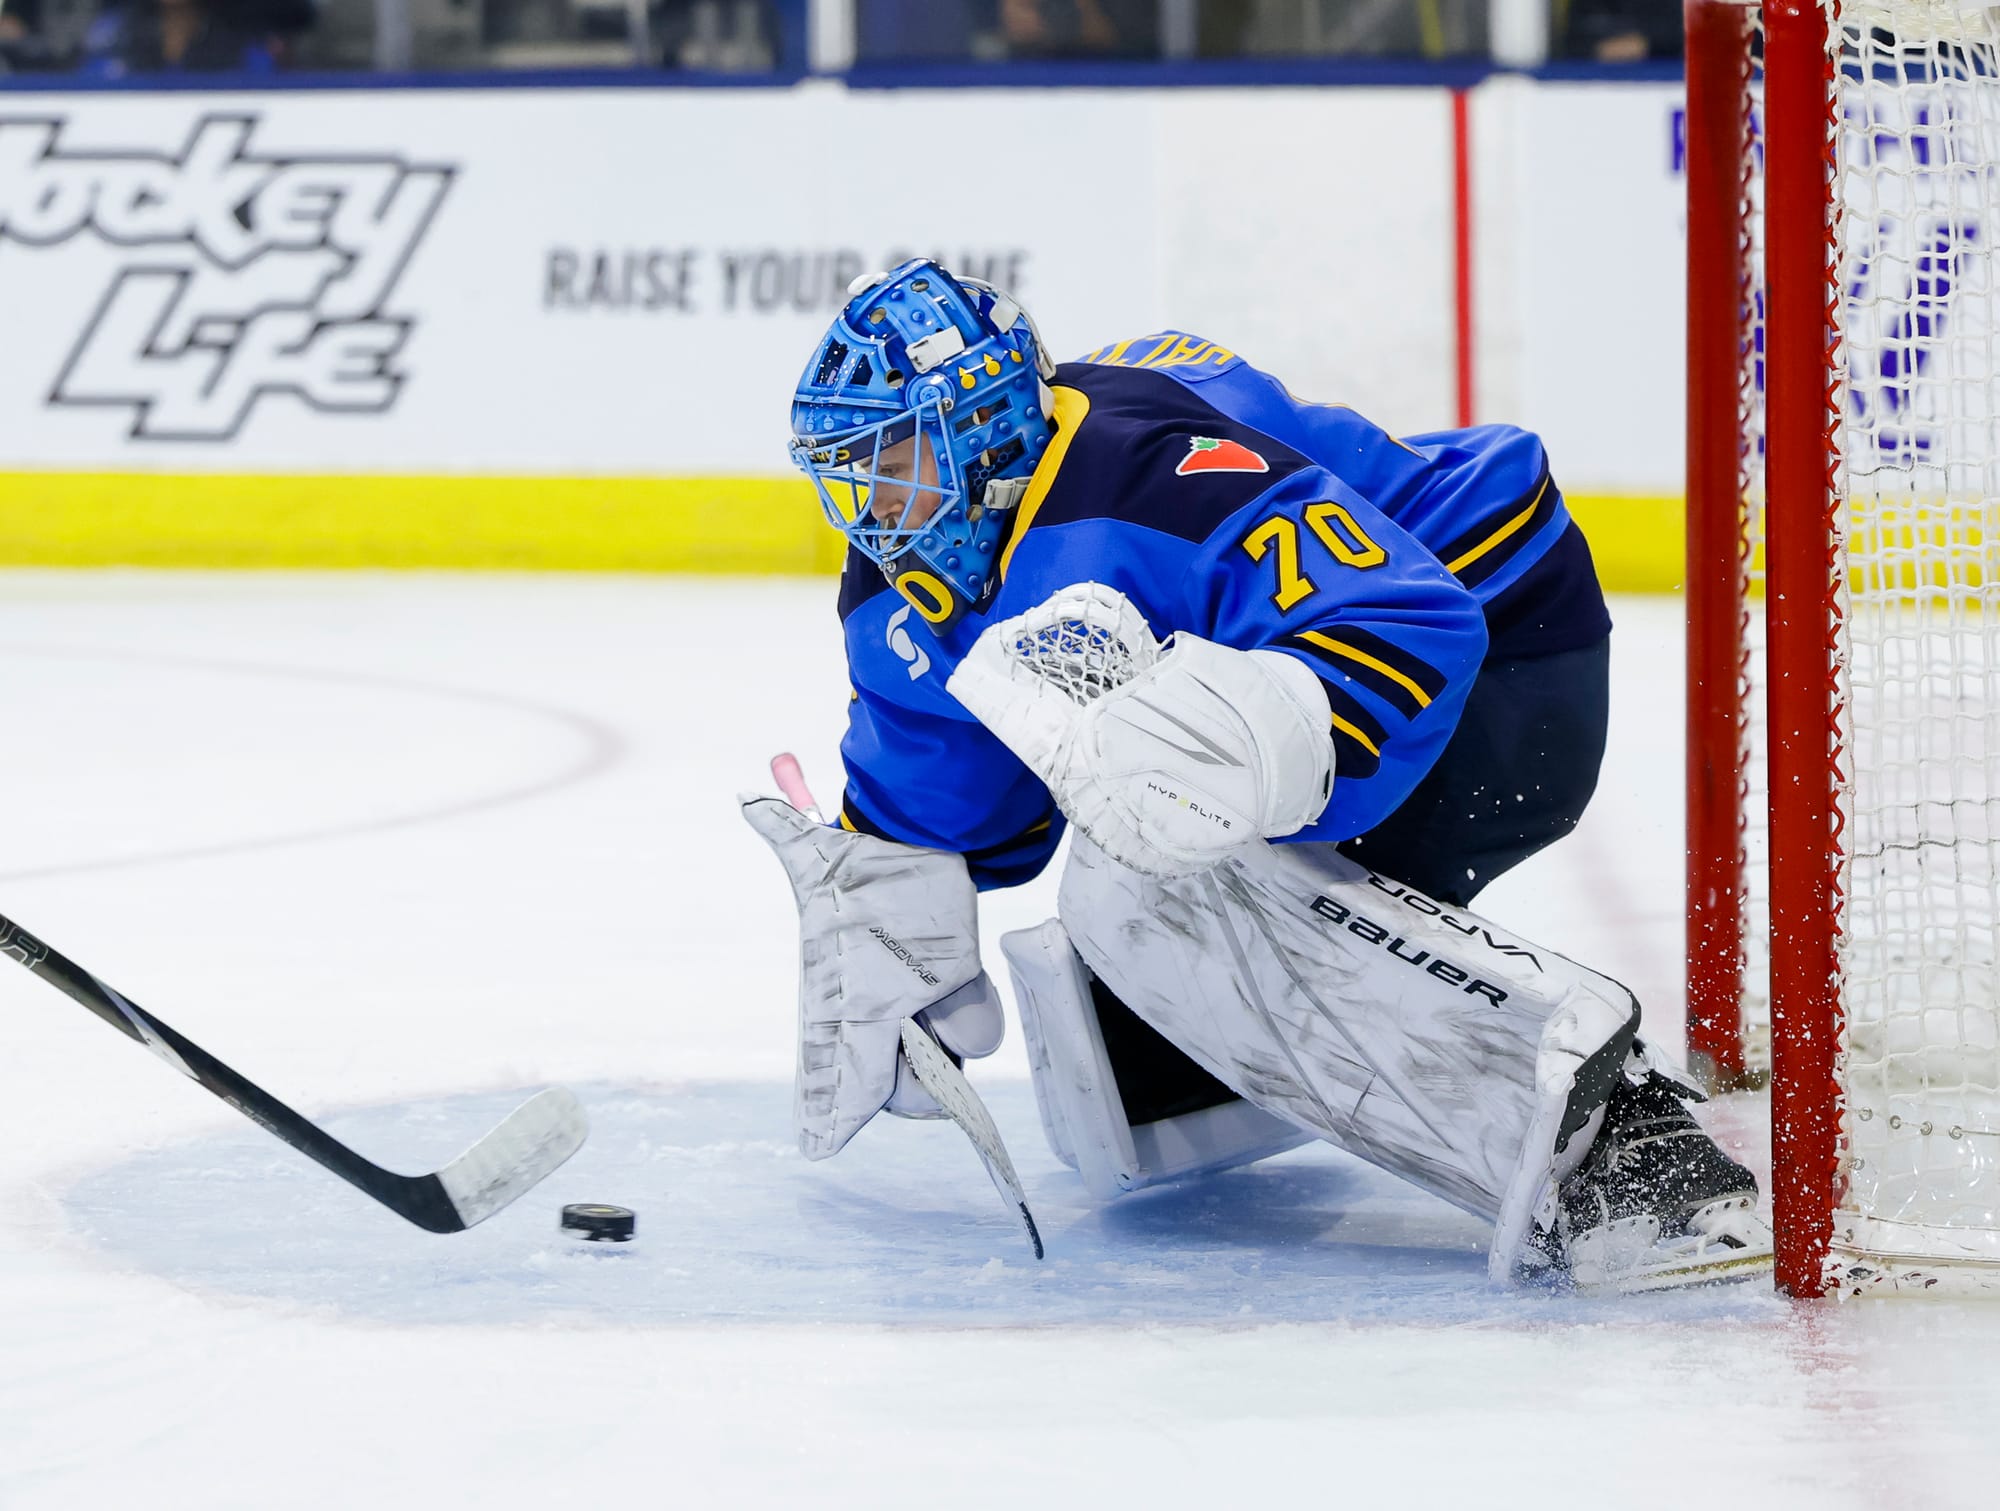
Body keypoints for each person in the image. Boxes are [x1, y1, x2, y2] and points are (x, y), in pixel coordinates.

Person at [745, 259, 1772, 1294]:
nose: (873, 507)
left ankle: (1620, 1136)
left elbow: (1408, 621)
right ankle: (1209, 1069)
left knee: (1141, 882)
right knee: (1125, 937)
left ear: (986, 429)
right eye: (851, 472)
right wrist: (887, 906)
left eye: (897, 461)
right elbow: (949, 796)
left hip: (1501, 644)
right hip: (1409, 650)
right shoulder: (904, 572)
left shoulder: (1150, 479)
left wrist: (1244, 740)